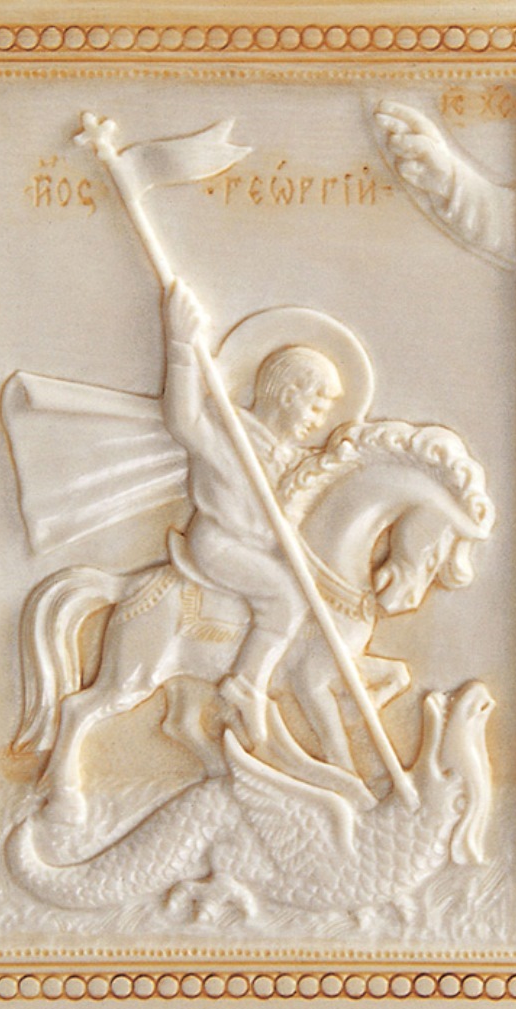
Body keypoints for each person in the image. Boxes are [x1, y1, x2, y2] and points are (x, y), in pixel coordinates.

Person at [162, 279, 344, 747]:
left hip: (261, 548)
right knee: (287, 597)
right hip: (220, 543)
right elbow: (183, 421)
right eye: (316, 404)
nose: (320, 419)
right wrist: (180, 346)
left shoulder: (293, 459)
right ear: (288, 393)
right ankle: (245, 685)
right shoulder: (231, 434)